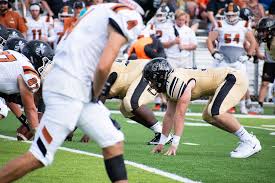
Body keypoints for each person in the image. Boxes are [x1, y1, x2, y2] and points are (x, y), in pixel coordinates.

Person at [0, 1, 161, 182]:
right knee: (39, 156)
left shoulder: (100, 8)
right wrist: (96, 94)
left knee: (113, 140)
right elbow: (103, 66)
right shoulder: (129, 15)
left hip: (69, 81)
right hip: (70, 87)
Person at [143, 58, 262, 158]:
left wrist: (175, 144)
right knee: (208, 116)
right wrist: (161, 143)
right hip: (222, 82)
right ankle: (246, 139)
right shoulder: (169, 83)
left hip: (232, 78)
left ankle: (249, 141)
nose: (151, 84)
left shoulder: (176, 82)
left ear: (160, 77)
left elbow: (180, 115)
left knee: (215, 112)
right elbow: (169, 115)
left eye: (152, 80)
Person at [206, 3, 257, 114]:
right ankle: (219, 105)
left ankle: (243, 106)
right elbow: (209, 40)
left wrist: (248, 55)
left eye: (233, 15)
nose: (230, 18)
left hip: (238, 58)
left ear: (237, 14)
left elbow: (253, 42)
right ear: (225, 15)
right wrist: (214, 53)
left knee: (241, 83)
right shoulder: (220, 24)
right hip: (223, 58)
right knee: (220, 83)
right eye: (228, 15)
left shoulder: (244, 24)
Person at [249, 17, 275, 114]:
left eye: (264, 31)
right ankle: (260, 106)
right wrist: (257, 53)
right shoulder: (264, 36)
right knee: (264, 83)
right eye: (261, 31)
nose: (262, 34)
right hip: (269, 62)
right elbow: (254, 39)